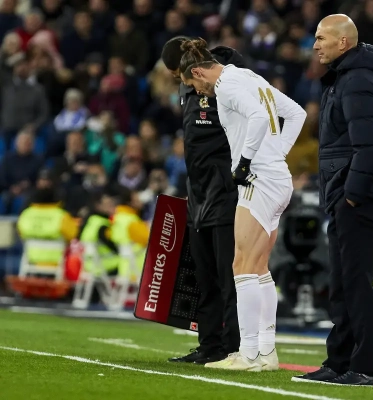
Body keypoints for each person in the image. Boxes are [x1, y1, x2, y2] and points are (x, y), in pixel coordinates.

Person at [178, 37, 306, 371]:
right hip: (277, 178)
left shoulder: (226, 86)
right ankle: (265, 352)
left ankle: (247, 353)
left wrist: (245, 162)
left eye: (193, 85)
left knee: (242, 266)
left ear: (199, 73)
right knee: (260, 268)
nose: (198, 92)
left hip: (258, 181)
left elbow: (259, 118)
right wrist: (277, 154)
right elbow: (297, 113)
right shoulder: (249, 76)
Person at [293, 15, 373, 386]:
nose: (315, 45)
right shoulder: (346, 79)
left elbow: (369, 147)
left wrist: (351, 195)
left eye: (322, 38)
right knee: (341, 283)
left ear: (343, 42)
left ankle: (365, 367)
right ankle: (339, 362)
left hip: (357, 196)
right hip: (343, 192)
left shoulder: (357, 81)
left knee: (355, 282)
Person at [161, 37, 244, 365]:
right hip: (199, 195)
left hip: (227, 192)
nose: (179, 82)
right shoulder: (187, 90)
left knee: (229, 276)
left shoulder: (232, 80)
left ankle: (234, 348)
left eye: (177, 75)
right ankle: (209, 345)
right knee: (204, 277)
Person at [17, 187, 78, 266]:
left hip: (32, 259)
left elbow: (21, 233)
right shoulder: (61, 215)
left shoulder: (26, 214)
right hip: (57, 260)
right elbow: (73, 235)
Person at [78, 192, 119, 277]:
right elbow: (114, 247)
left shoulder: (90, 221)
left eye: (112, 203)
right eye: (108, 204)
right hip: (107, 266)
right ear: (98, 206)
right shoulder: (103, 225)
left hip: (89, 266)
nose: (112, 206)